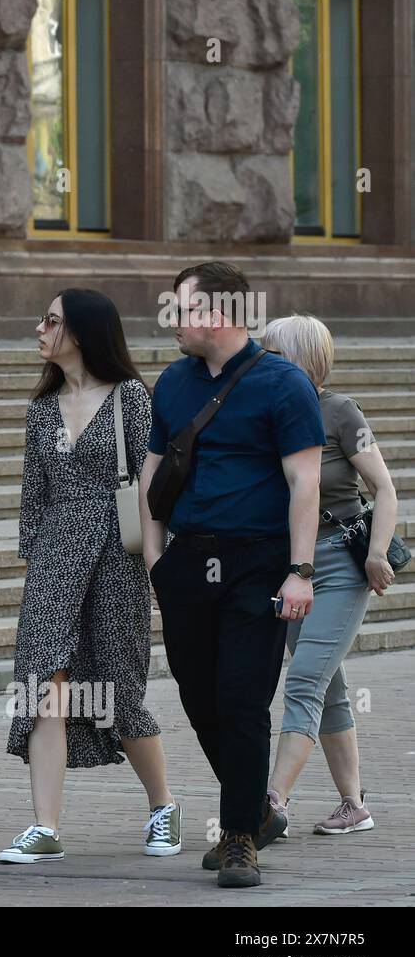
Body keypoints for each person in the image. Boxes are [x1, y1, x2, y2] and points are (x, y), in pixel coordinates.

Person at [139, 262, 325, 888]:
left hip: (259, 563)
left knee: (243, 698)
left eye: (182, 310)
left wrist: (301, 571)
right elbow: (153, 474)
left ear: (216, 315)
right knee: (199, 697)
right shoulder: (171, 384)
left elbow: (305, 482)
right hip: (188, 562)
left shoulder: (284, 384)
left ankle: (239, 837)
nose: (173, 321)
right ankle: (252, 808)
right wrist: (155, 560)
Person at [0, 288, 181, 865]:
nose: (39, 328)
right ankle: (45, 827)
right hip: (55, 560)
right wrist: (38, 561)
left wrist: (155, 560)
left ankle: (163, 806)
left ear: (80, 332)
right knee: (42, 686)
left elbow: (153, 488)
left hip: (115, 557)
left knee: (118, 690)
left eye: (50, 320)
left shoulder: (131, 397)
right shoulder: (41, 409)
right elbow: (35, 494)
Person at [261, 315, 398, 839]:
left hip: (341, 565)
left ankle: (271, 801)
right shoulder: (269, 415)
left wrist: (377, 553)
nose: (262, 361)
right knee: (328, 685)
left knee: (303, 680)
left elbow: (383, 490)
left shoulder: (340, 411)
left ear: (299, 359)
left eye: (272, 352)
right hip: (294, 567)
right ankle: (354, 805)